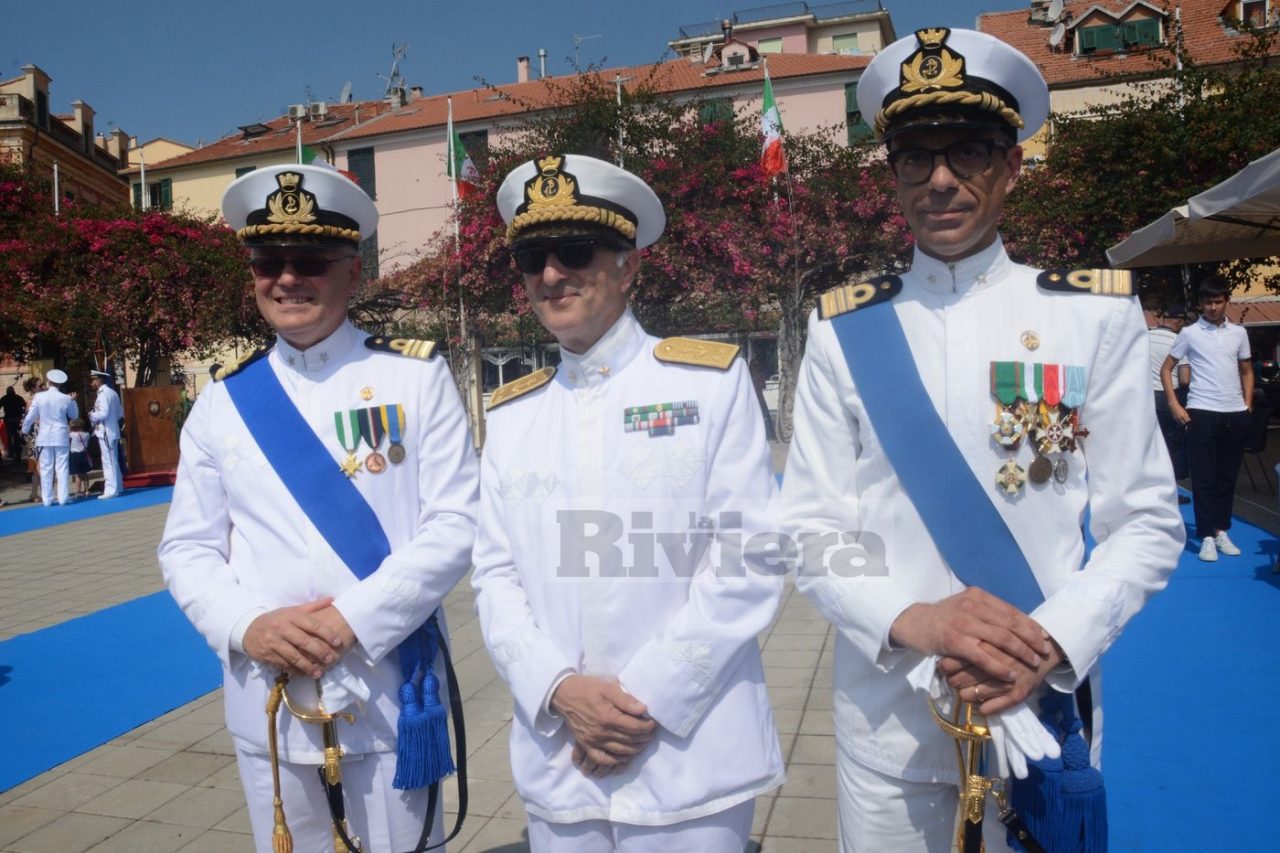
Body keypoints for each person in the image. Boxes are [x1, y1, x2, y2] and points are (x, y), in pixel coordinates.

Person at [776, 28, 1185, 852]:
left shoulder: (1094, 315)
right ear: (891, 175)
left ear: (1012, 167)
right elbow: (808, 530)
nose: (940, 179)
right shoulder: (841, 329)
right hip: (891, 727)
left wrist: (1050, 641)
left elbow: (1145, 521)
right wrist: (918, 619)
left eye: (969, 151)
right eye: (915, 157)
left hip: (1042, 704)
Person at [158, 163, 479, 852]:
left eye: (310, 261)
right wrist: (247, 624)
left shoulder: (415, 377)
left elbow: (457, 523)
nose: (286, 278)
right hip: (270, 698)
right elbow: (187, 547)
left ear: (353, 272)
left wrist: (350, 620)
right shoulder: (220, 402)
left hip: (389, 690)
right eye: (268, 262)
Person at [472, 153, 785, 852]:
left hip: (688, 756)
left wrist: (641, 699)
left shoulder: (711, 383)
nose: (552, 274)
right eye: (532, 257)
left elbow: (750, 559)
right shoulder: (512, 414)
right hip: (560, 759)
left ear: (629, 265)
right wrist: (559, 689)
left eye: (577, 251)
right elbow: (494, 576)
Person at [1161, 276, 1253, 562]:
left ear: (1226, 301)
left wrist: (1247, 405)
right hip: (1201, 411)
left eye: (1217, 301)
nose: (1212, 307)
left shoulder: (1239, 333)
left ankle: (1222, 529)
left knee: (1226, 478)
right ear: (1200, 304)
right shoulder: (1189, 333)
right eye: (1207, 302)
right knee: (1203, 479)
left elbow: (1247, 370)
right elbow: (1167, 369)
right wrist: (1174, 403)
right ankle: (1206, 536)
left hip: (1234, 413)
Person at [21, 369, 79, 507]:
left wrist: (24, 430)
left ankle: (47, 499)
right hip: (61, 436)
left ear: (49, 382)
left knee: (46, 467)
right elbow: (74, 416)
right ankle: (63, 497)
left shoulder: (39, 397)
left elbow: (30, 416)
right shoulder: (65, 398)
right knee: (62, 467)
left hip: (45, 436)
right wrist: (73, 401)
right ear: (60, 384)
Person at [1149, 306, 1191, 484]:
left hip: (1143, 396)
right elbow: (1184, 379)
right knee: (1173, 443)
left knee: (1149, 442)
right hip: (1169, 397)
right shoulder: (1178, 341)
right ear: (1179, 321)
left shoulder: (1144, 337)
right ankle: (1173, 486)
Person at [88, 369, 124, 499]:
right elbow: (120, 413)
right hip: (111, 430)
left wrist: (92, 415)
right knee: (113, 460)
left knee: (108, 461)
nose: (91, 383)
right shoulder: (113, 393)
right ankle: (118, 486)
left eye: (92, 380)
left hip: (105, 431)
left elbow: (103, 413)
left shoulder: (103, 394)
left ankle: (111, 489)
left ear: (98, 381)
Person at [1, 384, 26, 460]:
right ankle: (16, 453)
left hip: (9, 419)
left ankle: (12, 452)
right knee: (16, 436)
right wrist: (22, 415)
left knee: (10, 436)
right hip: (16, 419)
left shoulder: (4, 398)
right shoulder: (18, 398)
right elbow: (24, 407)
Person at [68, 418, 91, 499]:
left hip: (75, 455)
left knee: (78, 474)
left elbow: (67, 432)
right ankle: (87, 490)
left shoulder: (72, 435)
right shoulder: (87, 434)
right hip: (83, 453)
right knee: (85, 473)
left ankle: (78, 491)